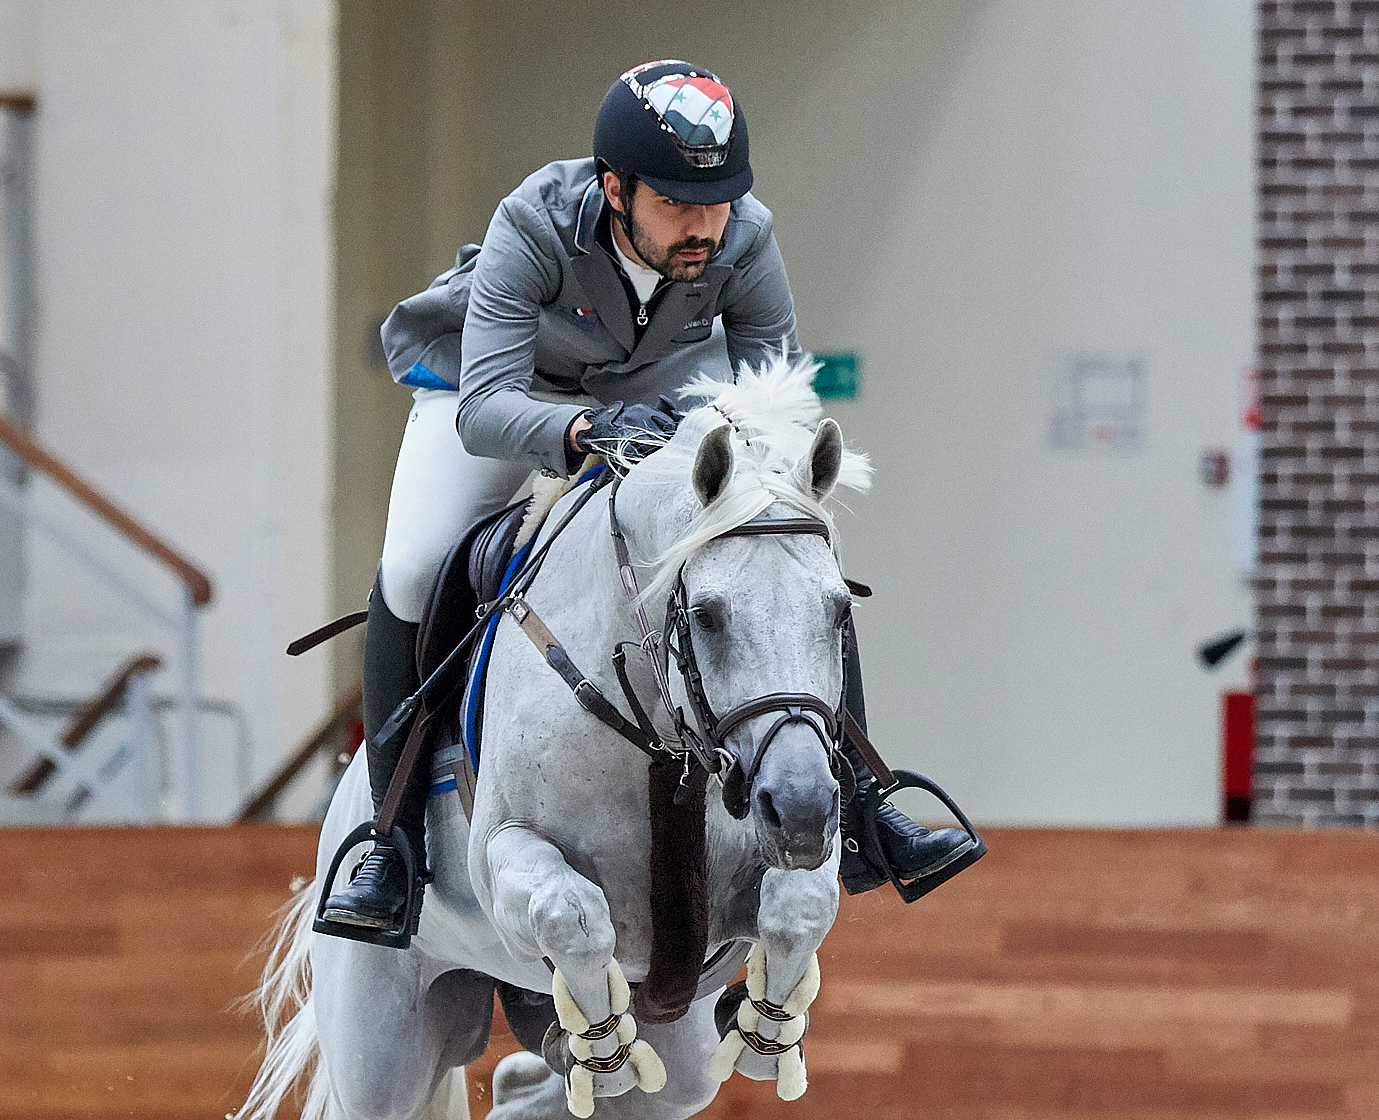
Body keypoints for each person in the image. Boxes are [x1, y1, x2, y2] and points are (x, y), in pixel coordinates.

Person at [318, 60, 980, 945]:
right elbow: (485, 407)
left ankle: (863, 804)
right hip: (506, 394)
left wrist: (764, 479)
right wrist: (588, 429)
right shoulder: (533, 223)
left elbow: (779, 398)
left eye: (716, 203)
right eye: (676, 204)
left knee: (788, 549)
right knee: (409, 564)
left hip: (660, 390)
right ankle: (390, 843)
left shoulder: (744, 236)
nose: (704, 226)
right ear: (614, 190)